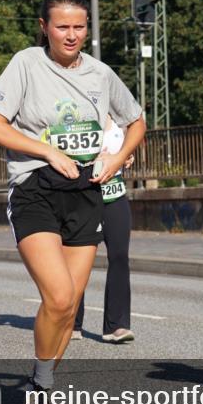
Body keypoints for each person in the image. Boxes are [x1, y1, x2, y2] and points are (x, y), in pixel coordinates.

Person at [0, 0, 145, 404]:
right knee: (56, 295)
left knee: (70, 306)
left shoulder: (101, 73)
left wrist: (115, 156)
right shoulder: (26, 64)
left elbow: (136, 119)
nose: (71, 35)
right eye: (62, 26)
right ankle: (40, 384)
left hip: (85, 193)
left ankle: (43, 380)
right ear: (44, 28)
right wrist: (46, 151)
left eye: (79, 26)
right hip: (35, 189)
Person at [72, 118, 136, 344]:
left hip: (114, 194)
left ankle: (116, 326)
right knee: (77, 258)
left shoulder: (122, 120)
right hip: (84, 196)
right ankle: (72, 322)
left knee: (119, 256)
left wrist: (127, 156)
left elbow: (127, 147)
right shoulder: (80, 116)